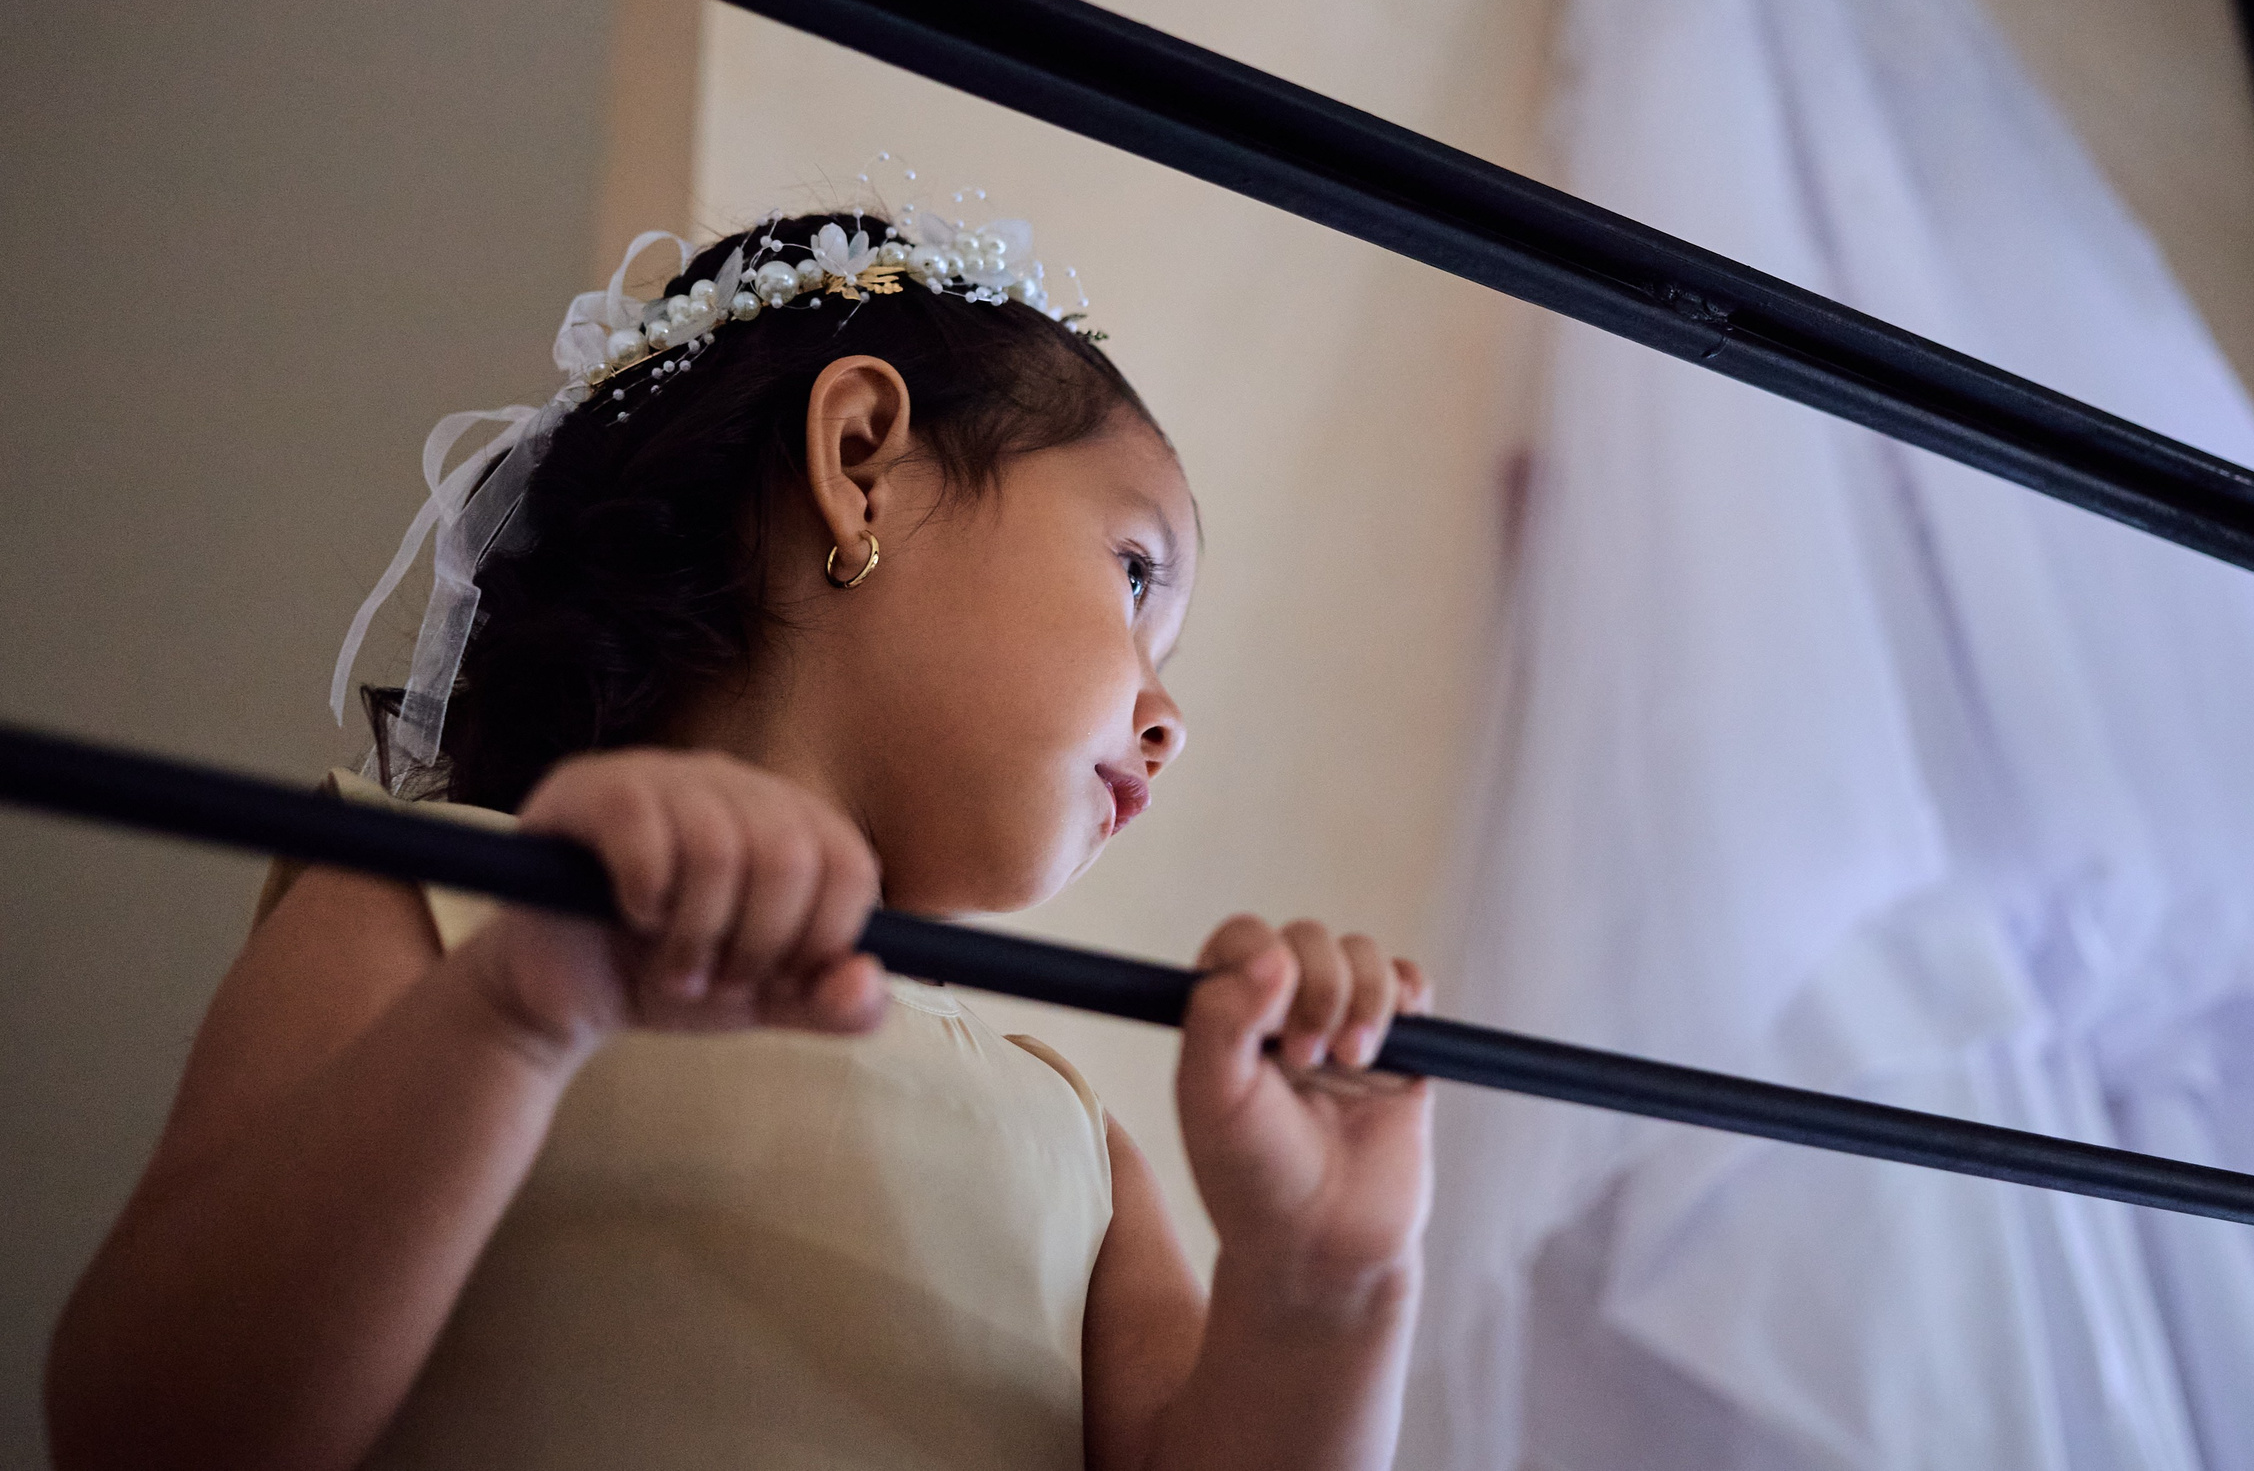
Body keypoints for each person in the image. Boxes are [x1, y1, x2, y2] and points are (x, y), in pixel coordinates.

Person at [44, 202, 1433, 1471]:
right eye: (1134, 574)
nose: (1168, 711)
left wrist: (1329, 1289)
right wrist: (513, 1021)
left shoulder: (1079, 1142)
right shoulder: (437, 915)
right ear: (860, 462)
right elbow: (144, 1431)